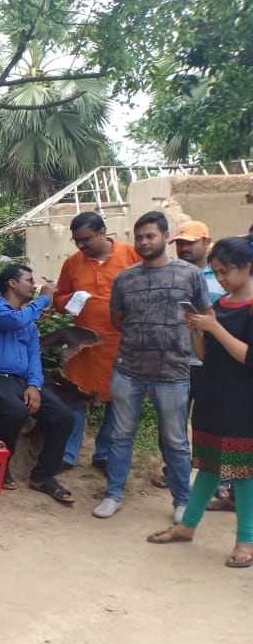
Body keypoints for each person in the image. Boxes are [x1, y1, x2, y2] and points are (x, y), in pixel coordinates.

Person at [144, 237, 253, 566]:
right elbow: (207, 355)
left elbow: (248, 357)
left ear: (248, 267)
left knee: (244, 473)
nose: (221, 279)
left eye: (227, 272)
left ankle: (246, 542)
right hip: (212, 396)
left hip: (242, 402)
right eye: (217, 272)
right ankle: (187, 527)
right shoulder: (220, 306)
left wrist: (214, 328)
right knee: (208, 465)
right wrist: (196, 330)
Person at [94, 211, 210, 521]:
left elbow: (204, 318)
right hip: (128, 369)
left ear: (165, 237)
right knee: (120, 436)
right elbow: (118, 320)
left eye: (151, 236)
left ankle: (182, 501)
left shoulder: (190, 275)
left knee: (175, 440)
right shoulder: (125, 278)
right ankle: (114, 494)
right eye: (139, 237)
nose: (144, 242)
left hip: (173, 372)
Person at [0, 264, 76, 503]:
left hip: (21, 381)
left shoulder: (27, 323)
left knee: (63, 416)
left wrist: (34, 386)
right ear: (12, 283)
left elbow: (33, 359)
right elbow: (15, 321)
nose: (33, 285)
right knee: (15, 410)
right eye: (29, 280)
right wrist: (44, 300)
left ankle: (42, 476)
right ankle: (0, 467)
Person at [54, 213, 140, 471]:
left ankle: (103, 454)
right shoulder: (72, 263)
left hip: (122, 345)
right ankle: (67, 454)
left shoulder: (131, 256)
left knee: (118, 399)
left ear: (103, 232)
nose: (81, 245)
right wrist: (70, 300)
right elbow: (59, 300)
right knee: (75, 396)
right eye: (76, 241)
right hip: (84, 347)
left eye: (85, 239)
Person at [171, 220, 233, 510]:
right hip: (180, 359)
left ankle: (222, 483)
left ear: (206, 242)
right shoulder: (173, 274)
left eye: (191, 242)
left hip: (215, 363)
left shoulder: (222, 278)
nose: (184, 247)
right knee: (178, 424)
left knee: (213, 424)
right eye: (180, 243)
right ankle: (177, 474)